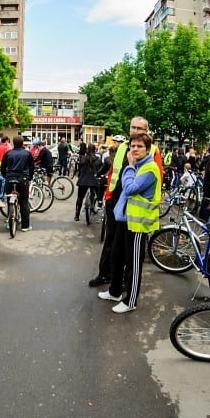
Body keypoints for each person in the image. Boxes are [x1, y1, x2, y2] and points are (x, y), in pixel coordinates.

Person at [88, 118, 164, 288]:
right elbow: (113, 172)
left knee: (126, 248)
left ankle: (123, 281)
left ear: (146, 131)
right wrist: (108, 194)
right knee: (111, 242)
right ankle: (105, 274)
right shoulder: (123, 146)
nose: (135, 130)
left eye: (140, 128)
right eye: (133, 127)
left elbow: (157, 178)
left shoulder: (153, 151)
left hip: (134, 204)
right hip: (115, 200)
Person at [97, 131, 160, 313]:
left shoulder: (149, 168)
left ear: (148, 149)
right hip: (125, 220)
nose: (135, 149)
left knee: (133, 264)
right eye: (132, 146)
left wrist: (129, 167)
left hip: (138, 224)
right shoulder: (139, 165)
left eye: (140, 146)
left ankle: (130, 301)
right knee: (116, 256)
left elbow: (130, 188)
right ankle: (115, 291)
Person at [0, 136, 34, 231]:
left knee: (9, 200)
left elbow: (2, 167)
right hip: (23, 179)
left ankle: (9, 222)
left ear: (13, 143)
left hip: (10, 179)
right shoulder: (27, 153)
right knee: (24, 202)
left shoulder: (8, 153)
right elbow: (32, 167)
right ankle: (25, 226)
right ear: (23, 143)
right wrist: (29, 177)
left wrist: (5, 176)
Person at [74, 143, 103, 221]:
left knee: (80, 198)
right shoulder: (97, 159)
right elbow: (100, 170)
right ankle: (97, 205)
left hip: (83, 181)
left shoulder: (83, 159)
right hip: (93, 180)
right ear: (95, 150)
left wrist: (79, 175)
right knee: (98, 194)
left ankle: (77, 215)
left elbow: (78, 169)